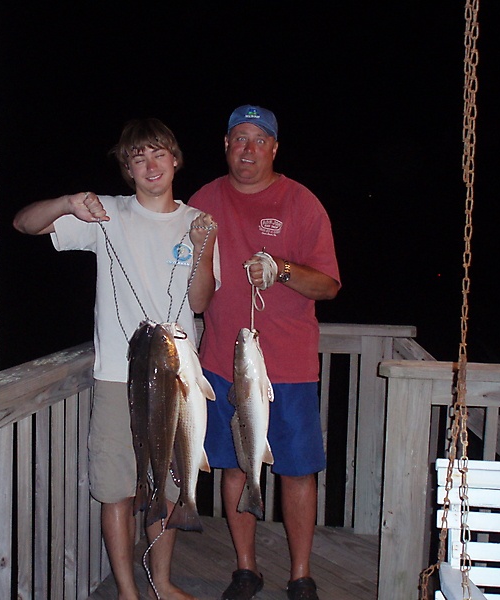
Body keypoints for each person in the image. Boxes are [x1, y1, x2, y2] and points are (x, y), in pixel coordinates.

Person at [13, 118, 218, 600]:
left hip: (178, 379)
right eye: (138, 157)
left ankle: (162, 583)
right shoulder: (106, 215)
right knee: (117, 490)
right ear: (127, 169)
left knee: (168, 488)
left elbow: (203, 301)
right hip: (115, 380)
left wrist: (204, 248)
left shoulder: (198, 222)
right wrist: (68, 202)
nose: (150, 165)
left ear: (176, 160)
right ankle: (127, 590)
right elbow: (24, 223)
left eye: (158, 154)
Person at [188, 105, 340, 600]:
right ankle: (246, 569)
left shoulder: (302, 203)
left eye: (258, 139)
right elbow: (186, 285)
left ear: (274, 147)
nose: (247, 149)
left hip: (290, 366)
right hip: (221, 363)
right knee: (234, 467)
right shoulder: (203, 200)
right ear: (225, 144)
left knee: (297, 471)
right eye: (238, 139)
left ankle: (301, 575)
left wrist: (284, 269)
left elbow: (329, 285)